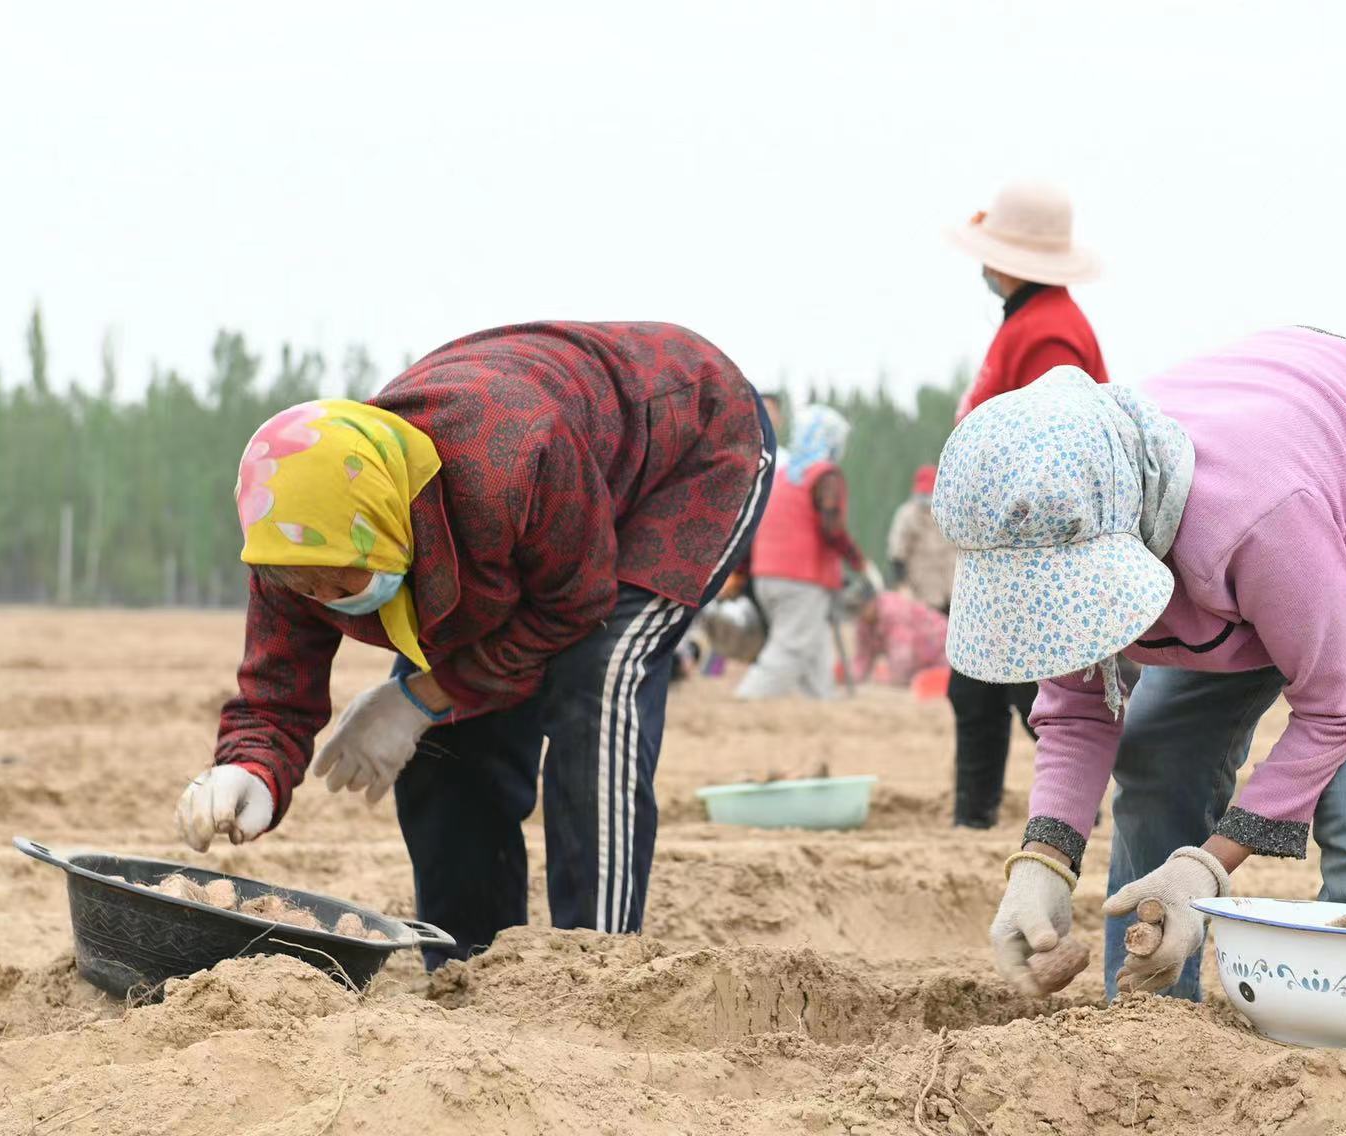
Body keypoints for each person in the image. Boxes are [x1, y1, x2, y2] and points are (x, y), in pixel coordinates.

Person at [932, 328, 1346, 1001]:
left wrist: (1206, 868)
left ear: (1121, 536)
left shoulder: (1251, 524)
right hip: (1305, 484)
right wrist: (1044, 860)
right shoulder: (1073, 515)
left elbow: (1341, 704)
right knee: (1158, 755)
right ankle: (1147, 1021)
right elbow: (1078, 706)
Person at [174, 322, 774, 965]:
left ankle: (598, 966)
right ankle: (473, 965)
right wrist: (250, 769)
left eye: (338, 579)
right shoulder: (291, 540)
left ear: (385, 523)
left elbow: (572, 610)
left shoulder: (509, 462)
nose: (322, 596)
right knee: (446, 743)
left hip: (689, 446)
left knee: (598, 677)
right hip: (542, 506)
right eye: (305, 586)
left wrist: (420, 697)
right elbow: (276, 689)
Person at [943, 180, 1109, 829]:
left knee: (1028, 689)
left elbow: (1053, 443)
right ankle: (976, 819)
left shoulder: (1050, 332)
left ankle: (1069, 810)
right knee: (983, 687)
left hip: (1027, 547)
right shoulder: (1032, 322)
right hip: (1005, 543)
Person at [736, 404, 866, 699]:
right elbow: (832, 529)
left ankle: (822, 701)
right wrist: (859, 562)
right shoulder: (824, 475)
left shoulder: (783, 475)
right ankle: (748, 699)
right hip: (800, 578)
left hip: (767, 574)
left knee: (815, 644)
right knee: (791, 647)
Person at [847, 577, 950, 688]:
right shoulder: (864, 624)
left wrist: (896, 680)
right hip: (919, 659)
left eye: (863, 606)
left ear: (873, 600)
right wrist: (851, 679)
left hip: (940, 646)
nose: (861, 612)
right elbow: (863, 656)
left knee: (938, 683)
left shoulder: (891, 611)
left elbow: (901, 653)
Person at [887, 464, 957, 612]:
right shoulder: (907, 515)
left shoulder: (950, 510)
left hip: (954, 585)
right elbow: (897, 554)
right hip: (925, 590)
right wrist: (902, 585)